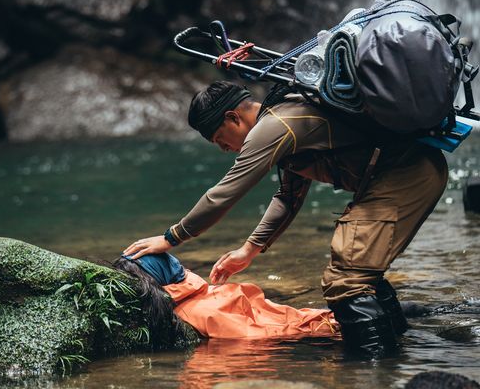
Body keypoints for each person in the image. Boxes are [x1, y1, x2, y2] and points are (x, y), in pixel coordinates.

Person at [123, 81, 448, 356]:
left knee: (346, 278)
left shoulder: (275, 126)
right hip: (405, 172)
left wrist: (171, 236)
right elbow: (289, 196)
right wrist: (248, 251)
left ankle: (375, 368)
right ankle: (400, 346)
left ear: (233, 117)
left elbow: (225, 192)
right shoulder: (286, 121)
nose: (225, 149)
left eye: (221, 140)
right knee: (359, 271)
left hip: (407, 174)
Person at [114, 252, 339, 340]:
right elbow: (264, 329)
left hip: (321, 324)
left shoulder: (195, 305)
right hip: (320, 323)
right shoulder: (204, 301)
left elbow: (261, 331)